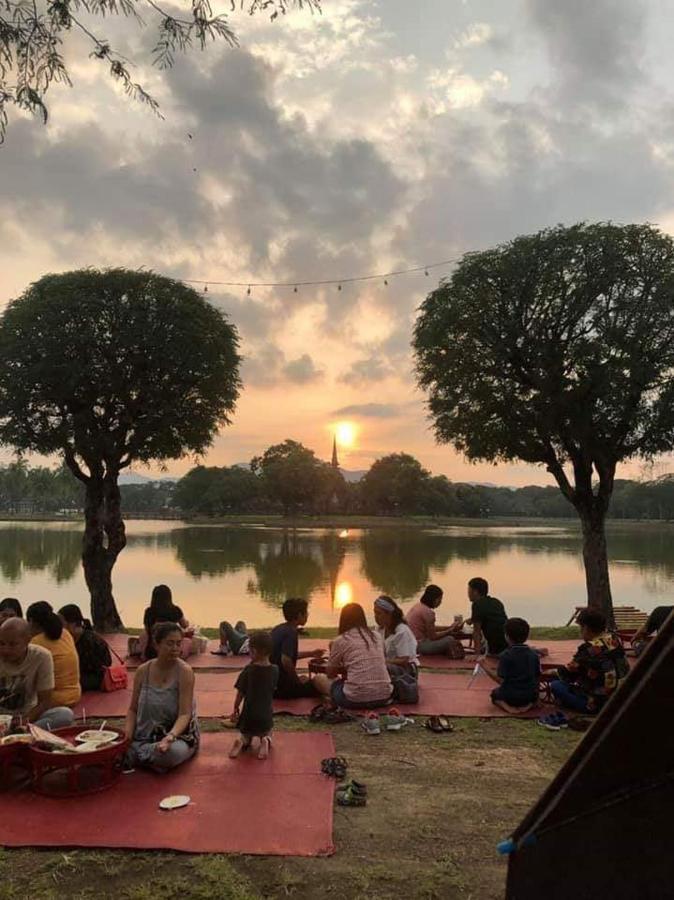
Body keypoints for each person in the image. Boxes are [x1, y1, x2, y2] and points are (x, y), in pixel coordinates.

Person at [124, 622, 199, 772]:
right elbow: (133, 710)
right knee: (114, 748)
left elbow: (185, 714)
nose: (175, 648)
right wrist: (127, 737)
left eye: (179, 644)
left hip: (177, 737)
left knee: (169, 753)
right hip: (143, 735)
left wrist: (170, 737)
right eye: (170, 644)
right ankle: (141, 755)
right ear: (156, 645)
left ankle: (137, 756)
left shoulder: (185, 672)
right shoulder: (142, 671)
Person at [538, 608, 629, 729]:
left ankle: (574, 704)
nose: (581, 632)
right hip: (618, 698)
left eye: (581, 628)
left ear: (586, 628)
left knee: (556, 685)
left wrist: (546, 672)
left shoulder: (587, 649)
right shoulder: (613, 640)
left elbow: (566, 673)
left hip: (596, 703)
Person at [314, 603, 392, 709]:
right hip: (385, 696)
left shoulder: (340, 640)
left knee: (318, 679)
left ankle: (332, 698)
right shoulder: (377, 636)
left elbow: (330, 674)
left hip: (354, 699)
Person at [0, 617, 74, 729]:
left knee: (64, 714)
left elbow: (45, 702)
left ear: (27, 640)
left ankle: (25, 731)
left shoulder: (41, 656)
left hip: (28, 715)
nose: (5, 649)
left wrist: (25, 721)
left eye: (12, 644)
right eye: (1, 643)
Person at [229, 630, 278, 760]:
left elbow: (240, 692)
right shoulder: (274, 670)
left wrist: (235, 708)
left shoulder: (248, 670)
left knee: (246, 734)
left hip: (248, 714)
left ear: (254, 652)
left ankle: (241, 741)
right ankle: (265, 740)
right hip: (265, 713)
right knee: (267, 732)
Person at [26, 601, 81, 708]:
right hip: (75, 695)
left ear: (32, 622)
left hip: (54, 700)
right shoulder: (66, 633)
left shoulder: (35, 643)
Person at [271, 598, 324, 699]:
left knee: (306, 678)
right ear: (299, 615)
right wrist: (296, 681)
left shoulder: (279, 628)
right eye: (306, 612)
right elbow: (286, 660)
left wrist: (312, 653)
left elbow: (288, 655)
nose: (308, 615)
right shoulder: (291, 632)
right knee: (319, 683)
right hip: (281, 688)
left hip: (271, 685)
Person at [490, 618, 540, 713]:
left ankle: (508, 707)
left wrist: (484, 666)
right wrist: (536, 697)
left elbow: (500, 679)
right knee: (530, 694)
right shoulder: (533, 654)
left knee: (494, 694)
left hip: (510, 696)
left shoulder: (506, 655)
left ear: (507, 636)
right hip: (529, 696)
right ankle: (529, 705)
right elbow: (537, 677)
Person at [58, 604, 112, 691]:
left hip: (95, 678)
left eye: (61, 622)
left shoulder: (90, 640)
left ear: (73, 623)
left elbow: (101, 667)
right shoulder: (70, 639)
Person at [406, 585, 464, 658]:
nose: (440, 602)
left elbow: (430, 628)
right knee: (450, 639)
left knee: (447, 638)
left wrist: (448, 627)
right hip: (419, 646)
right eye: (440, 599)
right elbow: (433, 637)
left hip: (409, 645)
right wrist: (450, 630)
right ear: (435, 599)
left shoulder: (418, 606)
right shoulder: (428, 613)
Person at [141, 584, 190, 661]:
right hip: (173, 653)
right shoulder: (175, 610)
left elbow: (147, 629)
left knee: (144, 634)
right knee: (188, 641)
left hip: (152, 652)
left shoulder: (149, 612)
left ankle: (143, 654)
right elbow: (184, 625)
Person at [372, 595, 419, 677]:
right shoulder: (380, 630)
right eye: (374, 613)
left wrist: (383, 661)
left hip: (406, 669)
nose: (375, 616)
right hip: (389, 665)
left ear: (389, 614)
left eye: (378, 613)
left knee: (381, 667)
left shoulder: (401, 631)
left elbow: (404, 659)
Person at [467, 578, 507, 656]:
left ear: (475, 592)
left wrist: (476, 655)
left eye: (469, 590)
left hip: (496, 649)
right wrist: (471, 619)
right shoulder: (496, 602)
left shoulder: (477, 604)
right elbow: (491, 618)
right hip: (508, 643)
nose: (468, 593)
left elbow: (477, 632)